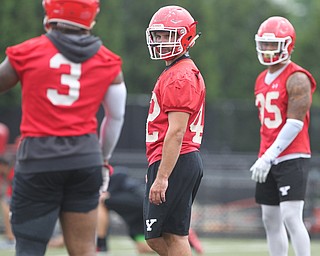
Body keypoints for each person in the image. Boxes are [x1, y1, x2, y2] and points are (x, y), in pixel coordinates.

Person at [0, 0, 127, 255]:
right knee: (83, 250)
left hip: (38, 159)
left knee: (30, 249)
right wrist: (103, 159)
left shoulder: (28, 51)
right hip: (85, 159)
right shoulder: (108, 61)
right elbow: (116, 117)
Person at [250, 16, 316, 256]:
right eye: (264, 44)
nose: (267, 50)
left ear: (287, 45)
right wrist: (265, 156)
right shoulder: (260, 78)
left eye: (272, 44)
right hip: (267, 155)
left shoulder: (297, 77)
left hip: (292, 155)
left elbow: (295, 123)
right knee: (269, 218)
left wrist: (269, 156)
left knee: (291, 216)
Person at [144, 6, 206, 256]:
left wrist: (162, 176)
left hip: (177, 158)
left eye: (168, 35)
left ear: (186, 36)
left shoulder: (179, 75)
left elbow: (176, 131)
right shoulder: (176, 71)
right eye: (158, 36)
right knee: (160, 236)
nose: (161, 42)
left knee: (168, 236)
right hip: (175, 158)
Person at [96, 167, 204, 255]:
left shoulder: (108, 176)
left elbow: (122, 175)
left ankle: (101, 246)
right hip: (135, 217)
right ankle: (183, 242)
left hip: (139, 200)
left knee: (101, 202)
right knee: (143, 248)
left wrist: (107, 193)